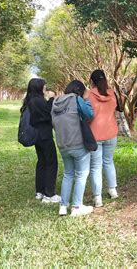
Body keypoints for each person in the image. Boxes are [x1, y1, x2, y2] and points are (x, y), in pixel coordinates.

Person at [51, 80, 94, 217]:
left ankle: (63, 206)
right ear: (79, 90)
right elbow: (89, 114)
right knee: (81, 175)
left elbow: (53, 123)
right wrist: (86, 100)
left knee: (68, 174)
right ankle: (76, 207)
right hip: (78, 143)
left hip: (63, 144)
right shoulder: (77, 99)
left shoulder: (55, 102)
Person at [21, 78, 60, 203]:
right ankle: (49, 194)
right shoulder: (38, 101)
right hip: (44, 136)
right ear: (39, 88)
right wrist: (53, 98)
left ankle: (40, 191)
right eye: (44, 87)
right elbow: (48, 114)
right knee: (51, 162)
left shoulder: (30, 100)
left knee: (42, 162)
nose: (45, 89)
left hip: (37, 136)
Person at [88, 70, 119, 207]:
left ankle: (97, 198)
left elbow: (87, 114)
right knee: (108, 162)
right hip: (111, 133)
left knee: (95, 166)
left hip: (95, 135)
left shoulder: (88, 95)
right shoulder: (112, 94)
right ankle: (113, 191)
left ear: (92, 81)